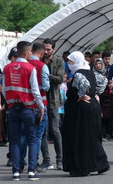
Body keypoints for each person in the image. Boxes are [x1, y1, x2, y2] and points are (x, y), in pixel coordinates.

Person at [62, 51, 109, 177]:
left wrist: (81, 95)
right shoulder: (89, 71)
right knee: (92, 136)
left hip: (80, 110)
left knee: (80, 137)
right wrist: (95, 95)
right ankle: (99, 163)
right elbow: (103, 80)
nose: (69, 63)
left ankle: (82, 167)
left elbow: (85, 85)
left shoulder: (78, 74)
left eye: (71, 61)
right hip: (92, 107)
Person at [3, 41, 45, 181]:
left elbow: (4, 90)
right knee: (32, 140)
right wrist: (41, 106)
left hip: (12, 109)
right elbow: (35, 90)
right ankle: (31, 171)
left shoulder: (7, 68)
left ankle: (16, 172)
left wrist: (10, 101)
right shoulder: (30, 68)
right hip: (27, 109)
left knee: (14, 141)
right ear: (27, 53)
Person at [42, 38, 64, 170]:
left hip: (54, 100)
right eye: (44, 49)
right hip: (41, 101)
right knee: (43, 133)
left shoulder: (58, 61)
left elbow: (60, 79)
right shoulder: (39, 61)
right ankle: (46, 160)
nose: (45, 51)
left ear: (53, 50)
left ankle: (60, 159)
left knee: (55, 131)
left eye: (48, 49)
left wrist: (45, 75)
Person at [27, 42, 50, 173]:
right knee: (38, 135)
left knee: (26, 135)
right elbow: (46, 87)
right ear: (41, 53)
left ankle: (18, 162)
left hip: (27, 104)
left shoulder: (25, 64)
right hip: (41, 103)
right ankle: (34, 163)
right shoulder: (43, 66)